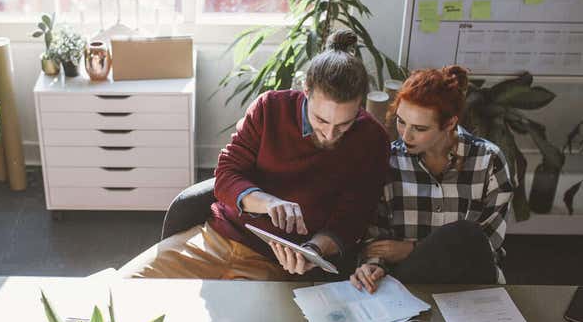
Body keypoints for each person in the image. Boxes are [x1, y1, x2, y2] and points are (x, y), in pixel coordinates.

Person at [120, 29, 389, 280]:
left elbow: (350, 221)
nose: (330, 134)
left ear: (360, 106)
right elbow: (225, 176)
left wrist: (313, 252)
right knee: (121, 292)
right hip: (216, 239)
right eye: (321, 120)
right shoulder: (270, 108)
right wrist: (268, 203)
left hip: (278, 266)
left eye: (344, 125)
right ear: (306, 91)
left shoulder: (371, 140)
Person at [350, 66, 514, 293]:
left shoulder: (489, 162)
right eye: (401, 121)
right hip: (409, 283)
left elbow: (483, 245)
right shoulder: (387, 162)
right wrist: (371, 268)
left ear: (449, 124)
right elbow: (376, 241)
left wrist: (411, 249)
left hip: (471, 281)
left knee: (466, 233)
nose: (405, 135)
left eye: (419, 128)